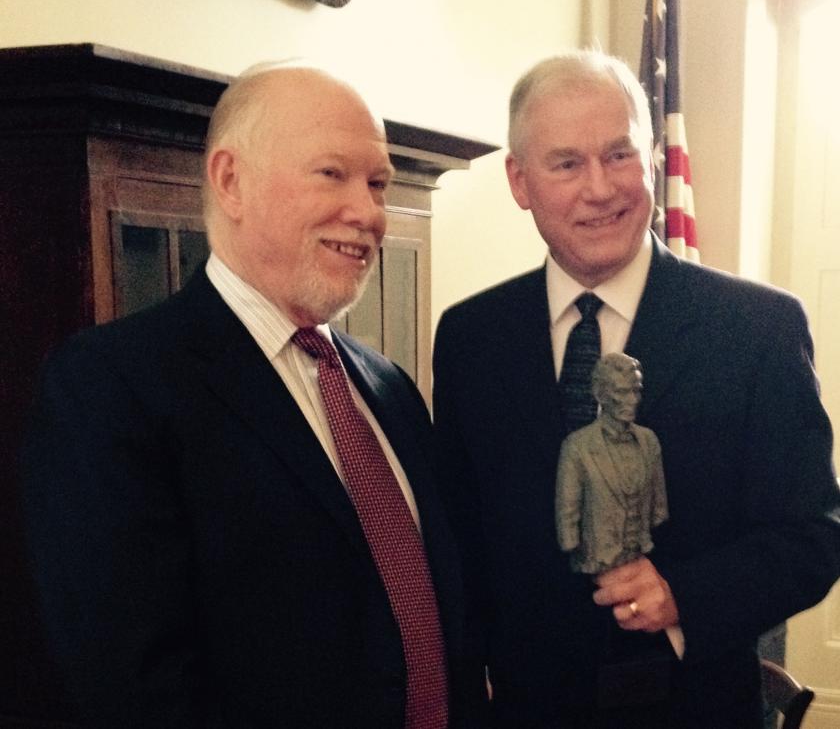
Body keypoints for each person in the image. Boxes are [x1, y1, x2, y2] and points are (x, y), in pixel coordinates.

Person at [22, 64, 468, 728]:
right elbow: (135, 686)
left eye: (377, 183)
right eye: (332, 174)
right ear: (231, 181)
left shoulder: (389, 388)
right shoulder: (112, 387)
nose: (369, 212)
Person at [432, 50, 840, 728]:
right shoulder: (471, 337)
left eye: (619, 155)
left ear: (651, 159)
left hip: (693, 709)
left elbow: (816, 537)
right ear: (519, 179)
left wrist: (688, 595)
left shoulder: (757, 329)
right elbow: (459, 544)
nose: (601, 188)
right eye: (566, 163)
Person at [556, 352, 667, 576]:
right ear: (600, 394)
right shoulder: (577, 446)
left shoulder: (648, 441)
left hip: (640, 553)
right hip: (596, 558)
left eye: (636, 390)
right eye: (622, 392)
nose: (633, 400)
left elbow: (659, 508)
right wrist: (570, 543)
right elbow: (568, 509)